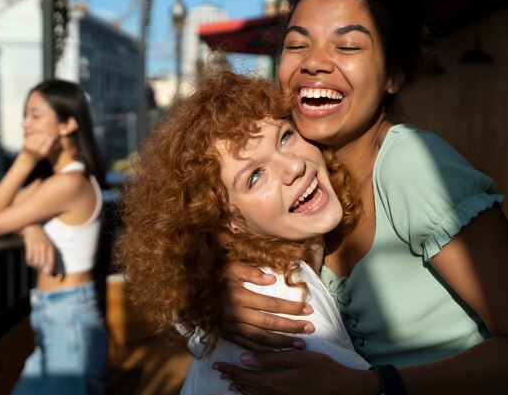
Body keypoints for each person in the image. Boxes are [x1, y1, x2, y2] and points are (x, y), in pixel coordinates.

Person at [213, 0, 508, 394]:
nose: (314, 63)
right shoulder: (300, 180)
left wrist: (375, 384)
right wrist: (219, 298)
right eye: (298, 45)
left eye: (348, 46)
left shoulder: (413, 166)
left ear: (394, 75)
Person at [114, 71, 371, 395]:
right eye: (255, 176)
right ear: (225, 222)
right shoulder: (281, 308)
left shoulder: (238, 290)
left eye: (285, 137)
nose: (293, 167)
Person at [0, 79, 108, 395]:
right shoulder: (55, 180)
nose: (25, 122)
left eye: (35, 115)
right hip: (53, 314)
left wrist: (25, 159)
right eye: (26, 114)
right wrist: (30, 225)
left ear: (67, 124)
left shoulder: (70, 183)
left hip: (69, 318)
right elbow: (4, 208)